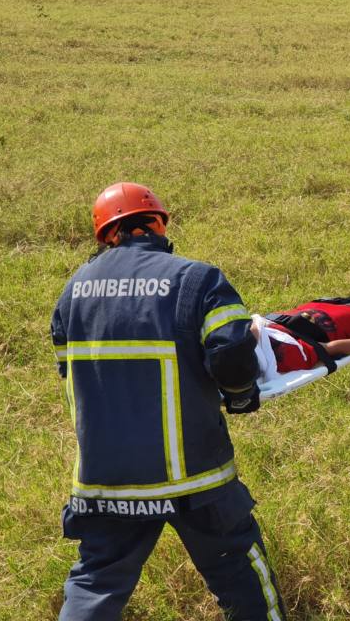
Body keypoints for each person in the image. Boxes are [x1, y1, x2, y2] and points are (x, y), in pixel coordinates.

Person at [51, 182, 286, 621]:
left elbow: (72, 377)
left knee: (94, 583)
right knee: (238, 569)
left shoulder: (72, 292)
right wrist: (240, 397)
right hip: (193, 478)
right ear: (158, 224)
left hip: (104, 479)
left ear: (106, 235)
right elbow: (232, 354)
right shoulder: (197, 279)